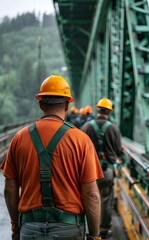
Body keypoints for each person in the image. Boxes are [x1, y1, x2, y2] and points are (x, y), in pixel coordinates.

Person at [0, 75, 104, 240]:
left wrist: (16, 226)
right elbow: (91, 194)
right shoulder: (81, 140)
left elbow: (9, 189)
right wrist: (94, 235)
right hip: (69, 229)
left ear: (41, 104)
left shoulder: (19, 138)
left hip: (29, 228)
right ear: (67, 105)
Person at [81, 98, 122, 239]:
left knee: (88, 198)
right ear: (109, 112)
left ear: (97, 110)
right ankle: (104, 230)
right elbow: (118, 151)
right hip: (107, 170)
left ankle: (90, 229)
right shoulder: (113, 128)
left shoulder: (86, 127)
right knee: (106, 200)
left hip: (88, 171)